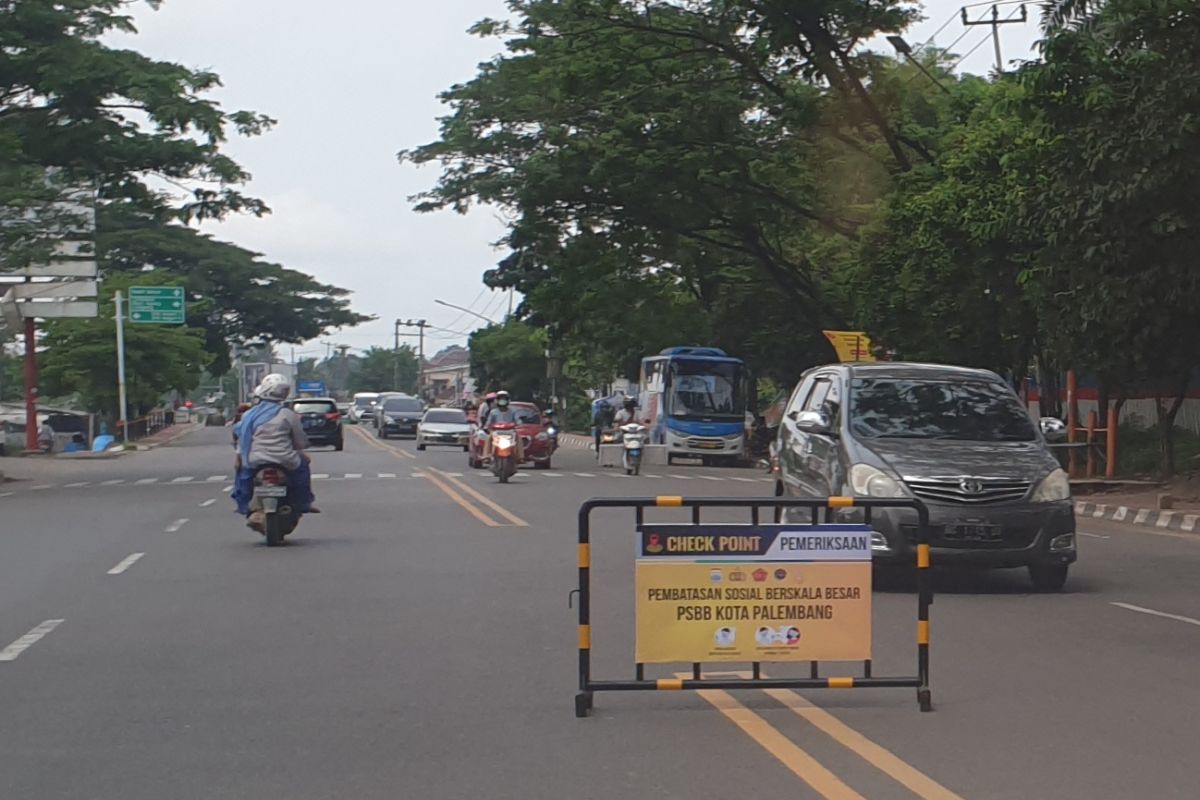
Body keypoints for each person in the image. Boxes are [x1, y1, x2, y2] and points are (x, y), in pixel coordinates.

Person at [231, 373, 319, 531]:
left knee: (243, 477)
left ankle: (244, 506)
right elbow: (300, 441)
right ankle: (303, 502)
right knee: (303, 468)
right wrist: (301, 449)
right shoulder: (288, 415)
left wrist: (239, 459)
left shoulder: (248, 416)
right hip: (285, 459)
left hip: (254, 460)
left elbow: (241, 438)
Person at [482, 390, 524, 462]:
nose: (502, 401)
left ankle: (520, 457)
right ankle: (486, 456)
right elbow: (488, 423)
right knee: (489, 438)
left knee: (519, 438)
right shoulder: (493, 412)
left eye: (504, 399)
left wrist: (519, 423)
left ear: (507, 401)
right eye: (500, 399)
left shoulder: (513, 411)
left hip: (510, 432)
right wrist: (486, 427)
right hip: (496, 432)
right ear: (497, 401)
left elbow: (518, 421)